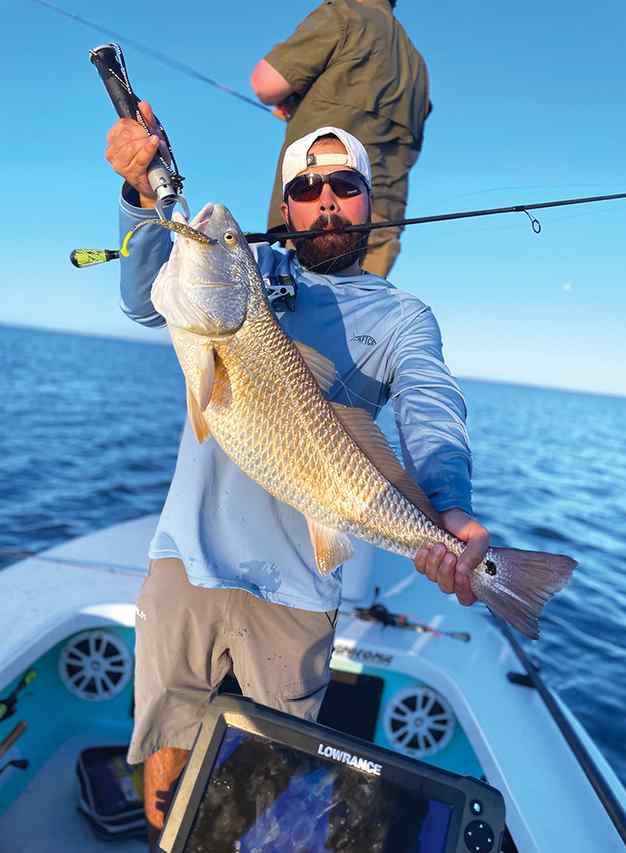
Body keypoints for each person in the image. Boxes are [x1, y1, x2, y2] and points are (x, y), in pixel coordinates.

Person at [106, 105, 488, 849]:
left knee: (263, 772)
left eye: (344, 185)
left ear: (370, 202)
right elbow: (140, 295)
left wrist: (450, 504)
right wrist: (140, 196)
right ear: (285, 207)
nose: (325, 201)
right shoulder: (244, 268)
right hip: (187, 556)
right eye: (306, 190)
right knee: (165, 737)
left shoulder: (404, 315)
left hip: (299, 584)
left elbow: (431, 402)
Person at [251, 0, 430, 278]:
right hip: (382, 220)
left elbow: (265, 83)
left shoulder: (343, 15)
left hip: (317, 211)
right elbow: (412, 155)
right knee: (367, 313)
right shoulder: (417, 64)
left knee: (302, 314)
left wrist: (295, 104)